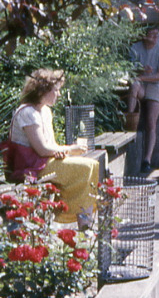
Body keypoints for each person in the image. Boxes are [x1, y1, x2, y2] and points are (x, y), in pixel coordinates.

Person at [5, 69, 97, 229]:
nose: (59, 94)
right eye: (56, 90)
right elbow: (41, 149)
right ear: (42, 90)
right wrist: (70, 149)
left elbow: (51, 145)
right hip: (30, 167)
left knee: (93, 165)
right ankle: (80, 222)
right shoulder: (28, 112)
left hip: (44, 161)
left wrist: (60, 150)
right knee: (86, 167)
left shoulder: (45, 111)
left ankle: (85, 223)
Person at [127, 24, 159, 173]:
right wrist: (140, 70)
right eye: (151, 34)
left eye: (157, 34)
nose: (155, 37)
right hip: (141, 83)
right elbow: (130, 69)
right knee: (134, 85)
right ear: (144, 35)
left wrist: (142, 75)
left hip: (156, 85)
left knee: (150, 122)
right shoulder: (136, 47)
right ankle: (130, 118)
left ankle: (147, 158)